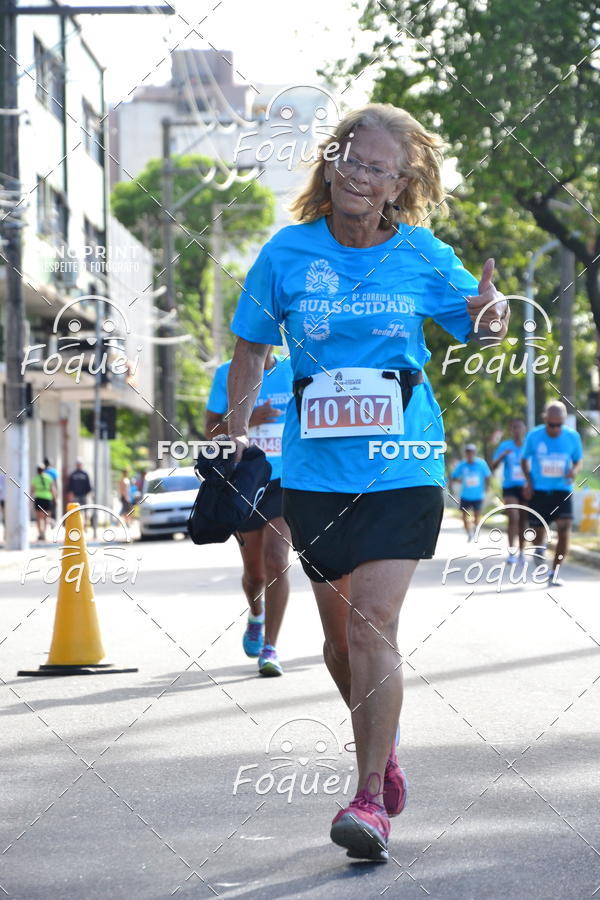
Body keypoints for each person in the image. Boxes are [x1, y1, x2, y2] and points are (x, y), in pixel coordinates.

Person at [226, 104, 508, 860]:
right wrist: (235, 429)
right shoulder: (287, 254)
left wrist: (492, 315)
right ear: (330, 164)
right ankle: (385, 755)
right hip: (315, 472)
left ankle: (365, 797)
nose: (359, 175)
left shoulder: (420, 254)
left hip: (404, 465)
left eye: (377, 168)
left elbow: (479, 321)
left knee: (370, 623)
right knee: (338, 646)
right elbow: (249, 349)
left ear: (399, 183)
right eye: (350, 159)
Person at [206, 347, 294, 676]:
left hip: (285, 480)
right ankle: (255, 613)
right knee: (255, 574)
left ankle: (270, 648)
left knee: (278, 560)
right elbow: (210, 428)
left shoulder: (292, 368)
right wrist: (248, 420)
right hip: (245, 480)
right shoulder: (228, 373)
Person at [521, 401, 582, 585]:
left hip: (562, 489)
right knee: (538, 536)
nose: (555, 429)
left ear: (563, 421)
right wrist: (529, 482)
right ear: (545, 419)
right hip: (539, 490)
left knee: (564, 528)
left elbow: (578, 460)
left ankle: (554, 573)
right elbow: (524, 460)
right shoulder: (534, 436)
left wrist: (574, 471)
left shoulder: (573, 437)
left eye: (559, 425)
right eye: (551, 424)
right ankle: (540, 548)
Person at [491, 419, 528, 562]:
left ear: (524, 429)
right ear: (511, 431)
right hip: (510, 487)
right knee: (514, 517)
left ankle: (522, 552)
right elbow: (493, 466)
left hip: (526, 487)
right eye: (514, 428)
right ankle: (512, 552)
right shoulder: (505, 446)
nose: (517, 430)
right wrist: (501, 456)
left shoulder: (528, 445)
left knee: (524, 519)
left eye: (519, 427)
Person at [451, 444, 491, 541]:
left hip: (478, 495)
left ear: (474, 453)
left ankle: (476, 529)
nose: (470, 454)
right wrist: (460, 481)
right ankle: (468, 533)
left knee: (477, 516)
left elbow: (488, 476)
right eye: (468, 452)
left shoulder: (481, 464)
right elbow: (453, 476)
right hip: (465, 495)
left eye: (472, 452)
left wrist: (487, 487)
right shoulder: (462, 465)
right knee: (464, 516)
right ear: (466, 454)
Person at [31, 464, 56, 541]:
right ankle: (44, 533)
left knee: (38, 518)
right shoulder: (49, 478)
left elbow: (32, 490)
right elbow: (53, 489)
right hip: (47, 498)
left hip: (39, 498)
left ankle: (40, 533)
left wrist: (30, 499)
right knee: (45, 517)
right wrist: (55, 498)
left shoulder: (35, 479)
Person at [67, 459, 92, 524]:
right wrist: (70, 494)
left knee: (85, 510)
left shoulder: (85, 474)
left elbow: (88, 485)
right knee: (76, 511)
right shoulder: (73, 474)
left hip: (84, 495)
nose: (78, 465)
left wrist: (88, 493)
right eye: (77, 464)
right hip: (76, 495)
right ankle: (77, 524)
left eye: (80, 464)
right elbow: (70, 485)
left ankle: (85, 524)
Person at [44, 457, 58, 524]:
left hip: (44, 492)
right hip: (52, 491)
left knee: (45, 508)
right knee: (53, 506)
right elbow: (56, 483)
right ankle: (52, 520)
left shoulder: (42, 471)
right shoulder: (53, 471)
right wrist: (57, 492)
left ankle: (47, 520)